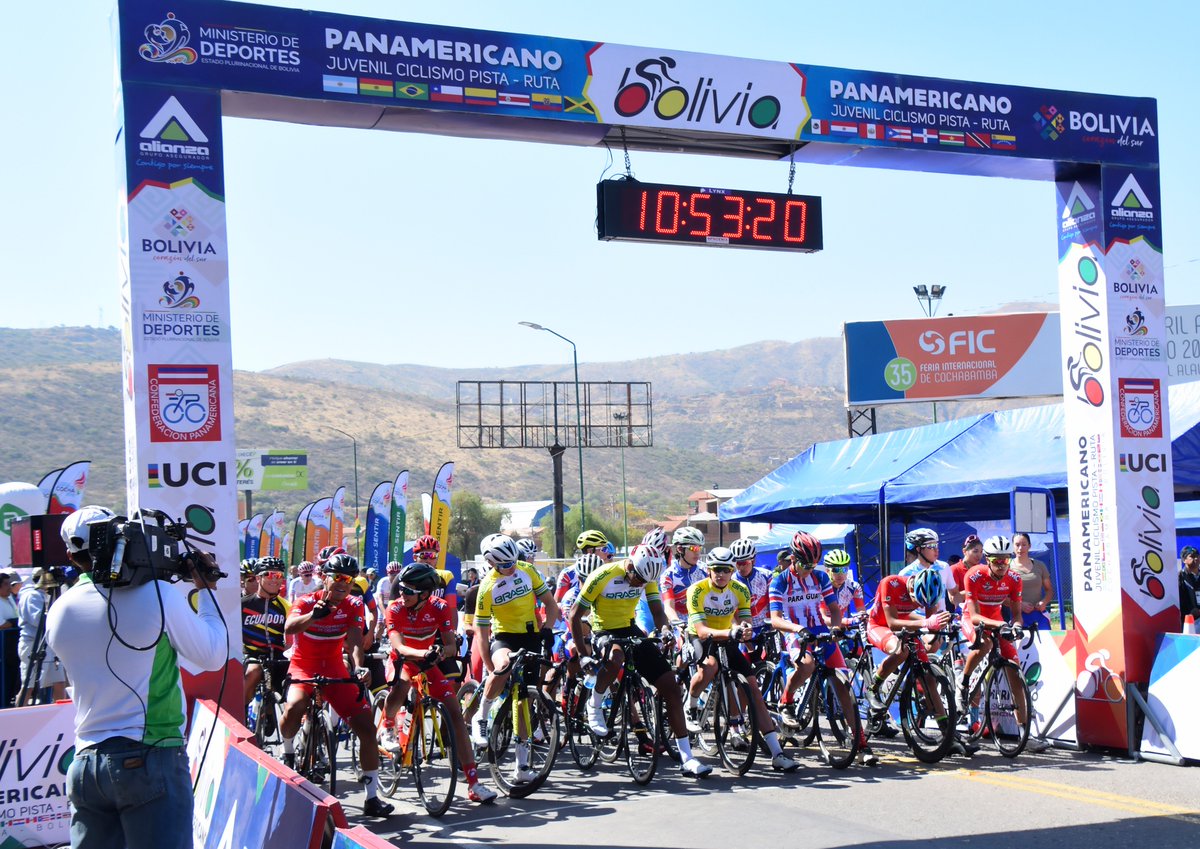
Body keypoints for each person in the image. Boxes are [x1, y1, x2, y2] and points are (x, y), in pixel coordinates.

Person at [47, 505, 227, 849]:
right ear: (123, 538)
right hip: (151, 756)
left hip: (85, 763)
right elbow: (213, 654)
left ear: (71, 557)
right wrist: (205, 588)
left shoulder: (59, 610)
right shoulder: (157, 594)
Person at [570, 545, 713, 778]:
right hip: (602, 629)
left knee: (671, 687)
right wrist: (582, 654)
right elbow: (574, 615)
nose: (640, 584)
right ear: (630, 566)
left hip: (629, 628)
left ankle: (687, 758)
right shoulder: (603, 575)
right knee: (616, 657)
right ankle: (594, 705)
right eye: (638, 579)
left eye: (645, 582)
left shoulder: (648, 575)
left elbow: (657, 611)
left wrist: (664, 630)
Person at [282, 553, 394, 817]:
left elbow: (354, 641)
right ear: (324, 577)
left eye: (350, 578)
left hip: (334, 667)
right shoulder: (306, 601)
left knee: (367, 729)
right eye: (339, 577)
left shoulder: (353, 604)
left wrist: (359, 667)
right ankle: (288, 753)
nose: (344, 583)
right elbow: (289, 627)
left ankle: (372, 797)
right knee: (295, 706)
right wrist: (313, 616)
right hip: (303, 665)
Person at [381, 563, 497, 803]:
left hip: (427, 662)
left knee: (455, 716)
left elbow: (451, 646)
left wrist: (441, 651)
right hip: (403, 660)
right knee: (401, 686)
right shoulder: (395, 608)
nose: (402, 594)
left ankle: (474, 783)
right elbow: (399, 647)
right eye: (401, 588)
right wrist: (424, 653)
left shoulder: (440, 607)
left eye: (408, 591)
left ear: (424, 594)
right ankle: (388, 724)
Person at [686, 546, 799, 772]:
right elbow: (701, 631)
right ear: (709, 570)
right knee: (710, 666)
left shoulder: (739, 590)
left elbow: (745, 621)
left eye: (726, 570)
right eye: (716, 569)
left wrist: (745, 631)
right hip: (702, 636)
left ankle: (777, 753)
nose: (721, 574)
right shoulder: (697, 590)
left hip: (727, 636)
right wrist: (731, 632)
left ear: (731, 571)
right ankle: (691, 706)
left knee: (754, 689)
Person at [769, 532, 876, 766]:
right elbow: (775, 619)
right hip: (794, 629)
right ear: (793, 559)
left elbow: (834, 609)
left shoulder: (819, 577)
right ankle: (786, 701)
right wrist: (798, 629)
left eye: (813, 565)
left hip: (819, 628)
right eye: (806, 565)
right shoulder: (780, 581)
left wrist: (836, 628)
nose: (810, 569)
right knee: (807, 665)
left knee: (844, 686)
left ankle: (861, 743)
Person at [470, 533, 560, 782]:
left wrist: (548, 629)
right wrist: (490, 667)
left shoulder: (527, 570)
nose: (512, 567)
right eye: (505, 565)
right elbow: (481, 632)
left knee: (523, 702)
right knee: (504, 665)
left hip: (530, 635)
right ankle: (481, 715)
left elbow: (551, 605)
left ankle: (521, 767)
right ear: (492, 563)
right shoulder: (487, 587)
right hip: (504, 637)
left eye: (513, 562)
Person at [959, 535, 1047, 752]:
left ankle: (1025, 733)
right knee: (985, 645)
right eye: (996, 561)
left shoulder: (1014, 578)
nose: (1001, 565)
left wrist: (1015, 626)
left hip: (997, 619)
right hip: (973, 619)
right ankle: (964, 682)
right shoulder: (974, 575)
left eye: (1005, 560)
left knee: (1015, 673)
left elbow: (1017, 615)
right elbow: (975, 616)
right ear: (987, 560)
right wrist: (1002, 625)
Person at [242, 557, 291, 711]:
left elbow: (291, 640)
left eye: (278, 575)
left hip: (278, 656)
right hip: (251, 655)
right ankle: (240, 712)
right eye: (269, 574)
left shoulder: (286, 606)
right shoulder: (243, 604)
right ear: (258, 578)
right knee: (254, 671)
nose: (274, 579)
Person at [17, 567, 68, 705]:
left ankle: (61, 714)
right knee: (29, 686)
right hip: (33, 644)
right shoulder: (31, 595)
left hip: (48, 644)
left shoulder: (47, 594)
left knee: (59, 682)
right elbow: (37, 620)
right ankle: (18, 713)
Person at [661, 526, 706, 629]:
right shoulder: (668, 576)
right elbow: (669, 607)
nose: (697, 552)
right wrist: (677, 622)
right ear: (680, 549)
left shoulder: (705, 570)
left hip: (704, 621)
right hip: (682, 623)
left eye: (699, 548)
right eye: (694, 548)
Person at [1011, 532, 1055, 630]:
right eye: (1017, 545)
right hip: (1016, 617)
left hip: (1038, 616)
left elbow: (1049, 590)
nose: (1020, 548)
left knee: (1045, 639)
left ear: (1029, 546)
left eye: (1024, 544)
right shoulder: (1007, 567)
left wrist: (1044, 602)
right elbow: (1002, 596)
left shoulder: (1040, 565)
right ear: (1012, 546)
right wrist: (1019, 605)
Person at [1180, 546, 1200, 627]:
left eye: (1197, 556)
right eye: (1192, 556)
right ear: (1184, 560)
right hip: (1188, 622)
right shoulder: (1179, 577)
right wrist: (1191, 611)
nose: (1196, 558)